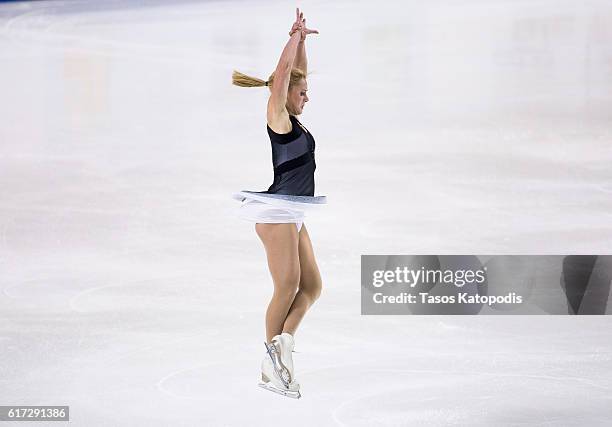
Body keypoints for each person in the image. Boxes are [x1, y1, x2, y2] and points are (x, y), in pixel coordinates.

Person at [231, 8, 324, 399]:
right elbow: (285, 76)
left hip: (294, 210)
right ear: (285, 93)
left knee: (312, 287)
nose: (307, 96)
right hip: (276, 211)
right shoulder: (278, 118)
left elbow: (295, 74)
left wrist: (301, 40)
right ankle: (272, 366)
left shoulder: (294, 116)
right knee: (287, 285)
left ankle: (283, 344)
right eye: (301, 93)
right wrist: (289, 45)